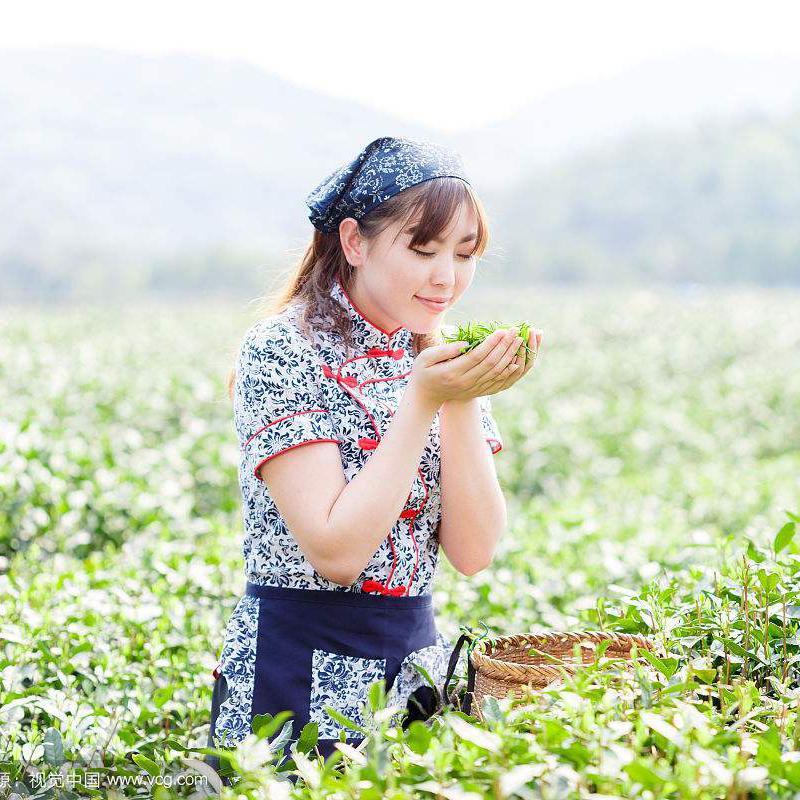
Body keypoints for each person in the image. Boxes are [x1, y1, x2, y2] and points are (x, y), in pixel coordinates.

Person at [204, 135, 543, 781]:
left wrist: (463, 397)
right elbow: (335, 553)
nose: (447, 276)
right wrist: (425, 399)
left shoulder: (438, 353)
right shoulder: (283, 349)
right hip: (292, 667)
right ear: (355, 242)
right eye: (423, 249)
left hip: (412, 662)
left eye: (465, 254)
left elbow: (473, 553)